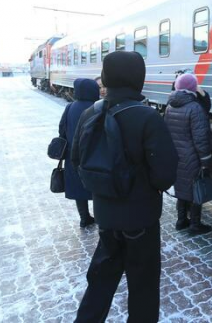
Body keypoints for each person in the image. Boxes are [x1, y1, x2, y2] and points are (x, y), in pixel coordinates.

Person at [72, 51, 178, 323]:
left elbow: (77, 159)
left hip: (106, 216)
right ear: (138, 79)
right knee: (142, 287)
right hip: (141, 220)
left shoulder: (89, 113)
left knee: (101, 281)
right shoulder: (147, 117)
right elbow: (164, 176)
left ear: (105, 78)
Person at [164, 73, 212, 235]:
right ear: (193, 88)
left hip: (178, 156)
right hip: (193, 156)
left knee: (182, 188)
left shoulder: (170, 106)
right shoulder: (195, 108)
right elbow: (201, 138)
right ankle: (195, 225)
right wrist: (205, 161)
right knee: (196, 189)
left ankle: (181, 220)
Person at [58, 78, 98, 228]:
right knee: (96, 187)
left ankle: (84, 217)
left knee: (77, 186)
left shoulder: (70, 107)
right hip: (94, 154)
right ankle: (101, 218)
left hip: (72, 154)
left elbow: (61, 128)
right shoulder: (97, 107)